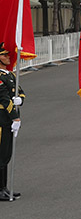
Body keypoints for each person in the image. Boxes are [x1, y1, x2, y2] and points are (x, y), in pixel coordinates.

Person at [0, 47, 25, 200]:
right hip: (2, 119)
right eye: (4, 55)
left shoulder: (9, 75)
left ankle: (4, 187)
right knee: (1, 154)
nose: (8, 57)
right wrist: (15, 117)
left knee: (7, 154)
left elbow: (19, 91)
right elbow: (3, 98)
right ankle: (0, 189)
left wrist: (20, 99)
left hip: (8, 118)